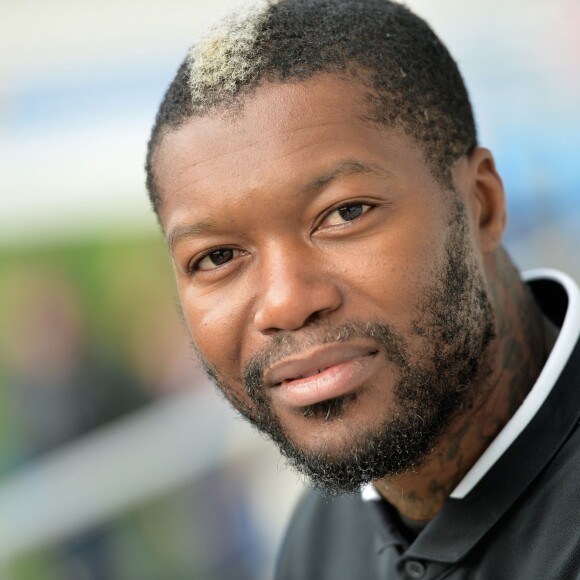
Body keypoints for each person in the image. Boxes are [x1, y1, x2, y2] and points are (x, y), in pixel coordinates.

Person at [144, 0, 580, 577]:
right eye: (217, 257)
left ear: (481, 207)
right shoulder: (320, 538)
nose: (285, 302)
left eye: (345, 213)